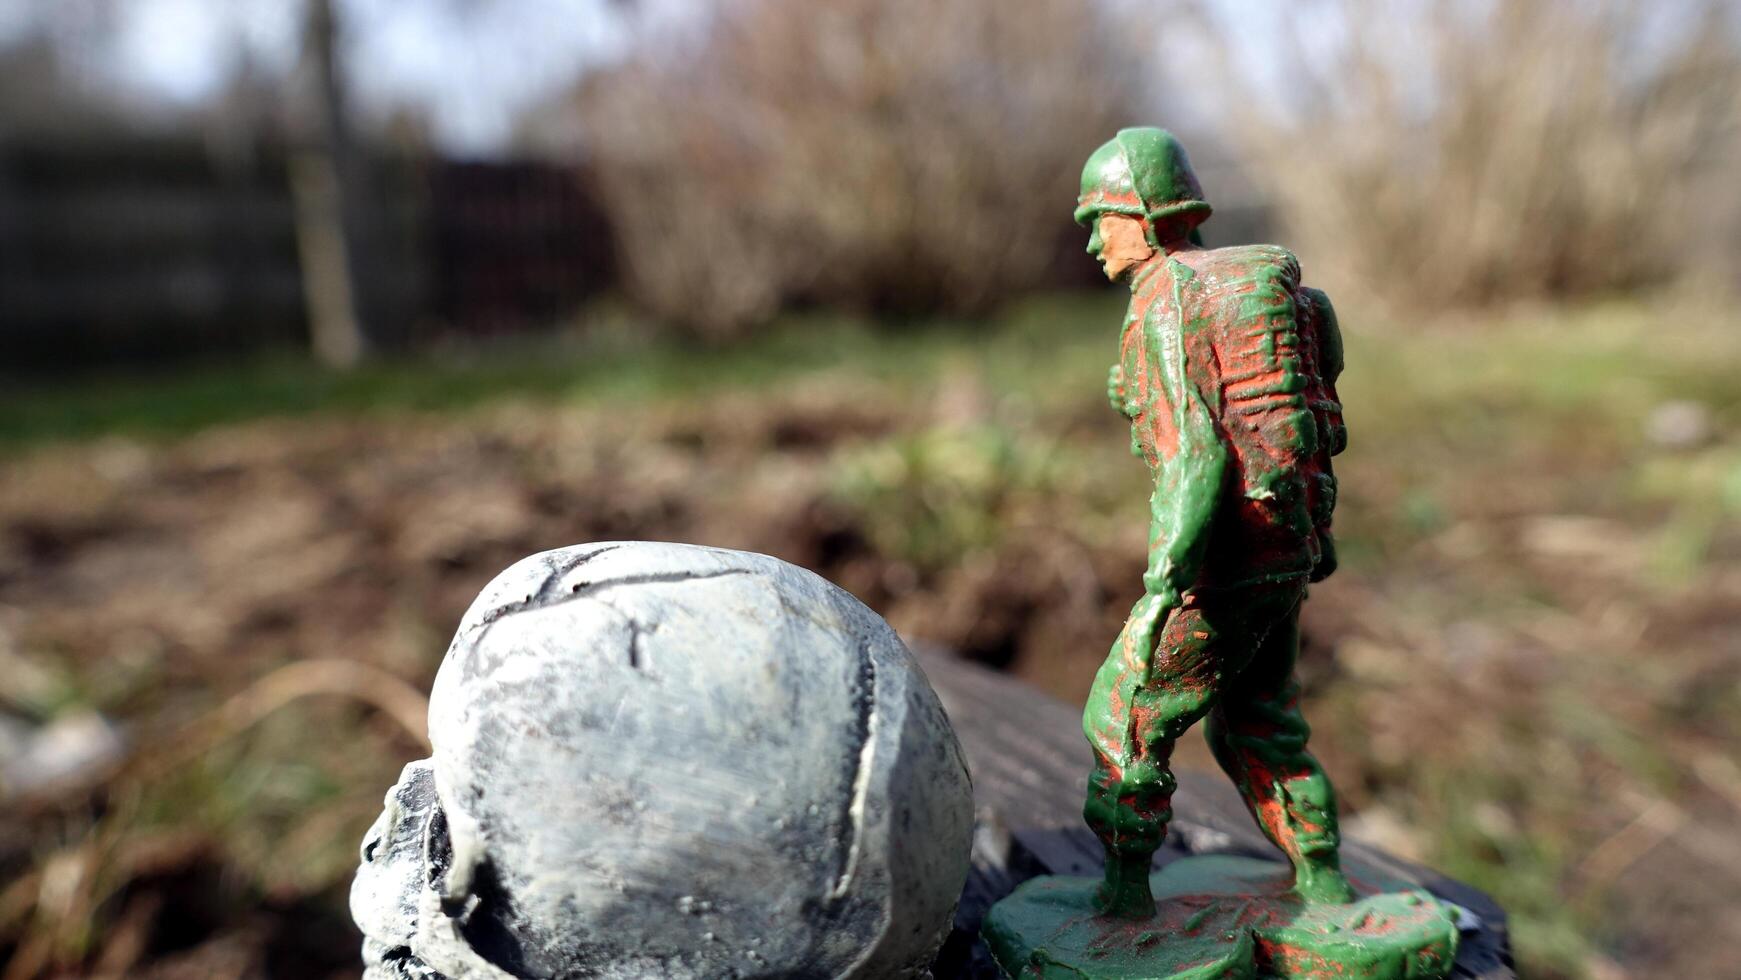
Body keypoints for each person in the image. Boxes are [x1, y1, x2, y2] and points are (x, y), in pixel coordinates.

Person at [1074, 127, 1355, 918]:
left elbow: (1196, 454)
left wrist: (1165, 582)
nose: (1094, 241)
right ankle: (1324, 882)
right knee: (1259, 721)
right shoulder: (1257, 297)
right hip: (1286, 544)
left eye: (1101, 219)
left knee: (1123, 714)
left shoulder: (1167, 302)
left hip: (1221, 562)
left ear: (1146, 215)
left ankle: (1123, 904)